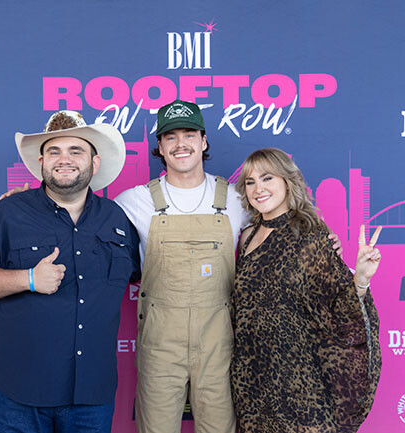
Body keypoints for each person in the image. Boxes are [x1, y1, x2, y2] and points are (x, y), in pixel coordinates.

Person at [113, 101, 343, 433]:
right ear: (159, 147)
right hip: (159, 344)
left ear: (203, 141)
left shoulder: (236, 199)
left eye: (189, 134)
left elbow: (281, 224)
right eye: (171, 137)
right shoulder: (133, 200)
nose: (181, 144)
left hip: (218, 342)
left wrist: (318, 236)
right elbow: (85, 222)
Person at [0, 110, 140, 433]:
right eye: (55, 152)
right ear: (42, 162)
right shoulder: (7, 213)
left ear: (94, 163)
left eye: (76, 151)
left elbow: (140, 273)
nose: (65, 159)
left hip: (91, 393)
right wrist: (28, 278)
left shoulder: (117, 219)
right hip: (19, 392)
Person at [231, 148, 382, 433]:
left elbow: (340, 307)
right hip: (251, 377)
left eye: (267, 178)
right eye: (250, 182)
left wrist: (360, 279)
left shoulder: (312, 234)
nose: (258, 189)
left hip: (300, 380)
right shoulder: (247, 235)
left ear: (288, 181)